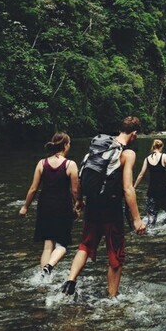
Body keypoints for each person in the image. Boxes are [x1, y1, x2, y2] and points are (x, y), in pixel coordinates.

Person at [61, 116, 146, 298]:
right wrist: (137, 219)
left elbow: (81, 177)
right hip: (111, 209)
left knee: (85, 245)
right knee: (116, 253)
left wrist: (79, 201)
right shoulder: (127, 154)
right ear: (134, 134)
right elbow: (128, 188)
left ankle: (70, 280)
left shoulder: (98, 148)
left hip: (92, 205)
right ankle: (112, 298)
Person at [19, 132, 79, 277]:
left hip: (44, 205)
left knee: (47, 245)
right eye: (69, 144)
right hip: (62, 206)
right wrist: (77, 205)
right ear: (66, 145)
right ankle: (49, 266)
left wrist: (25, 207)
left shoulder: (42, 163)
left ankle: (44, 278)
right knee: (62, 244)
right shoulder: (70, 164)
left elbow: (33, 189)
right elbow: (75, 190)